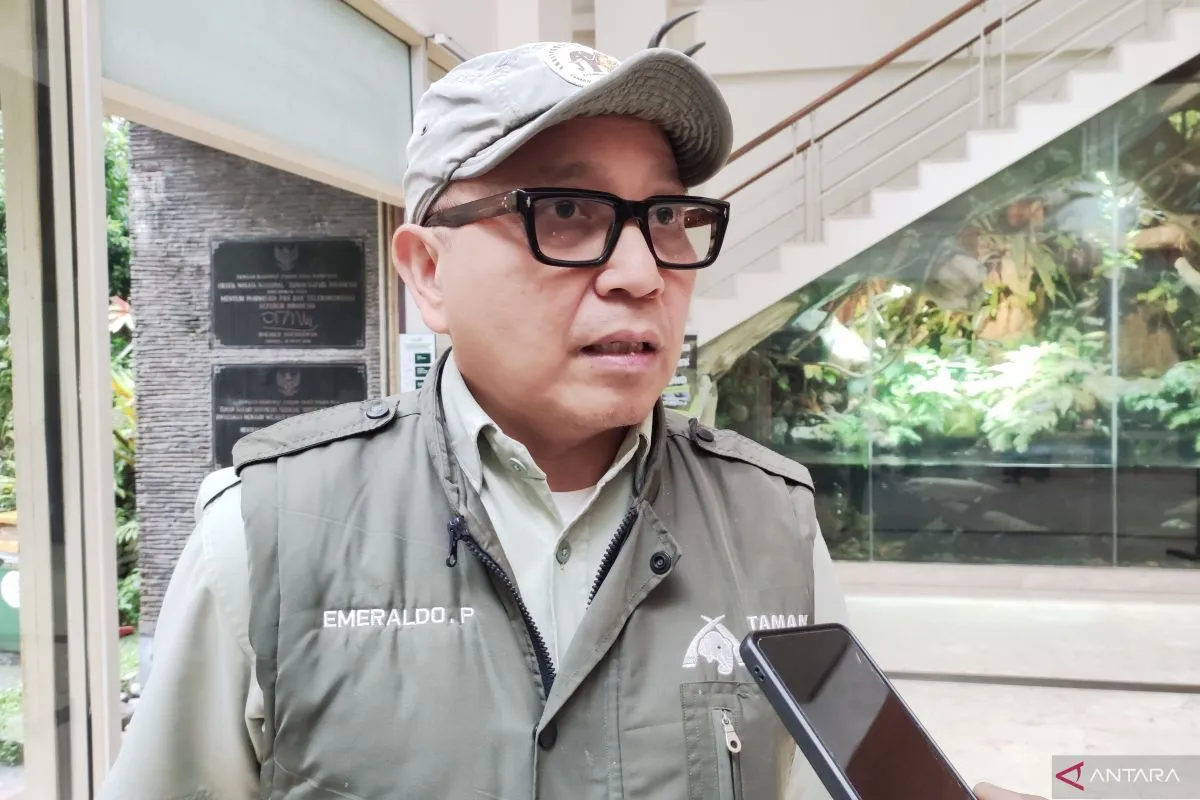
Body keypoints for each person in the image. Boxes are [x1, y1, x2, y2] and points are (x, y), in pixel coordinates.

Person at [100, 41, 1046, 800]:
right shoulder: (267, 533)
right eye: (564, 210)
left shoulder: (774, 525)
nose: (642, 273)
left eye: (666, 217)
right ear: (428, 270)